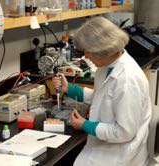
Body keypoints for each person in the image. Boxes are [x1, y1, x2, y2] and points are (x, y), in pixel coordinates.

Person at [52, 16, 152, 166]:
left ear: (103, 48)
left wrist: (85, 125)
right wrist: (70, 89)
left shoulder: (127, 80)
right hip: (106, 144)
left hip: (120, 153)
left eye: (88, 51)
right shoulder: (107, 65)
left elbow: (123, 132)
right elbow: (103, 97)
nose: (85, 56)